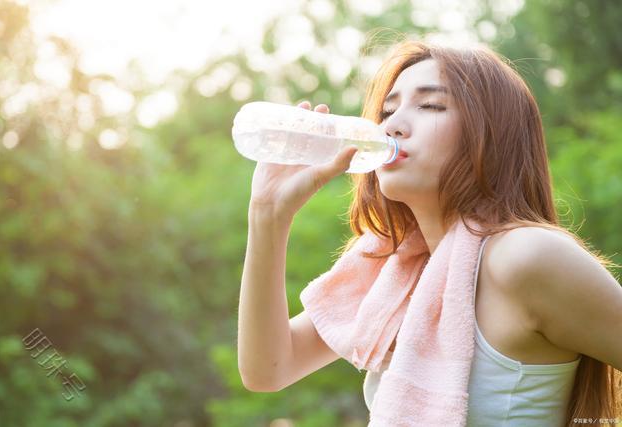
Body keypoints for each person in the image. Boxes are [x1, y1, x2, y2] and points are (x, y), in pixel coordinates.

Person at [237, 39, 622, 425]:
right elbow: (268, 370)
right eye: (388, 110)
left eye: (431, 105)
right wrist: (268, 214)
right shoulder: (397, 270)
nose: (391, 125)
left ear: (491, 135)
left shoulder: (525, 256)